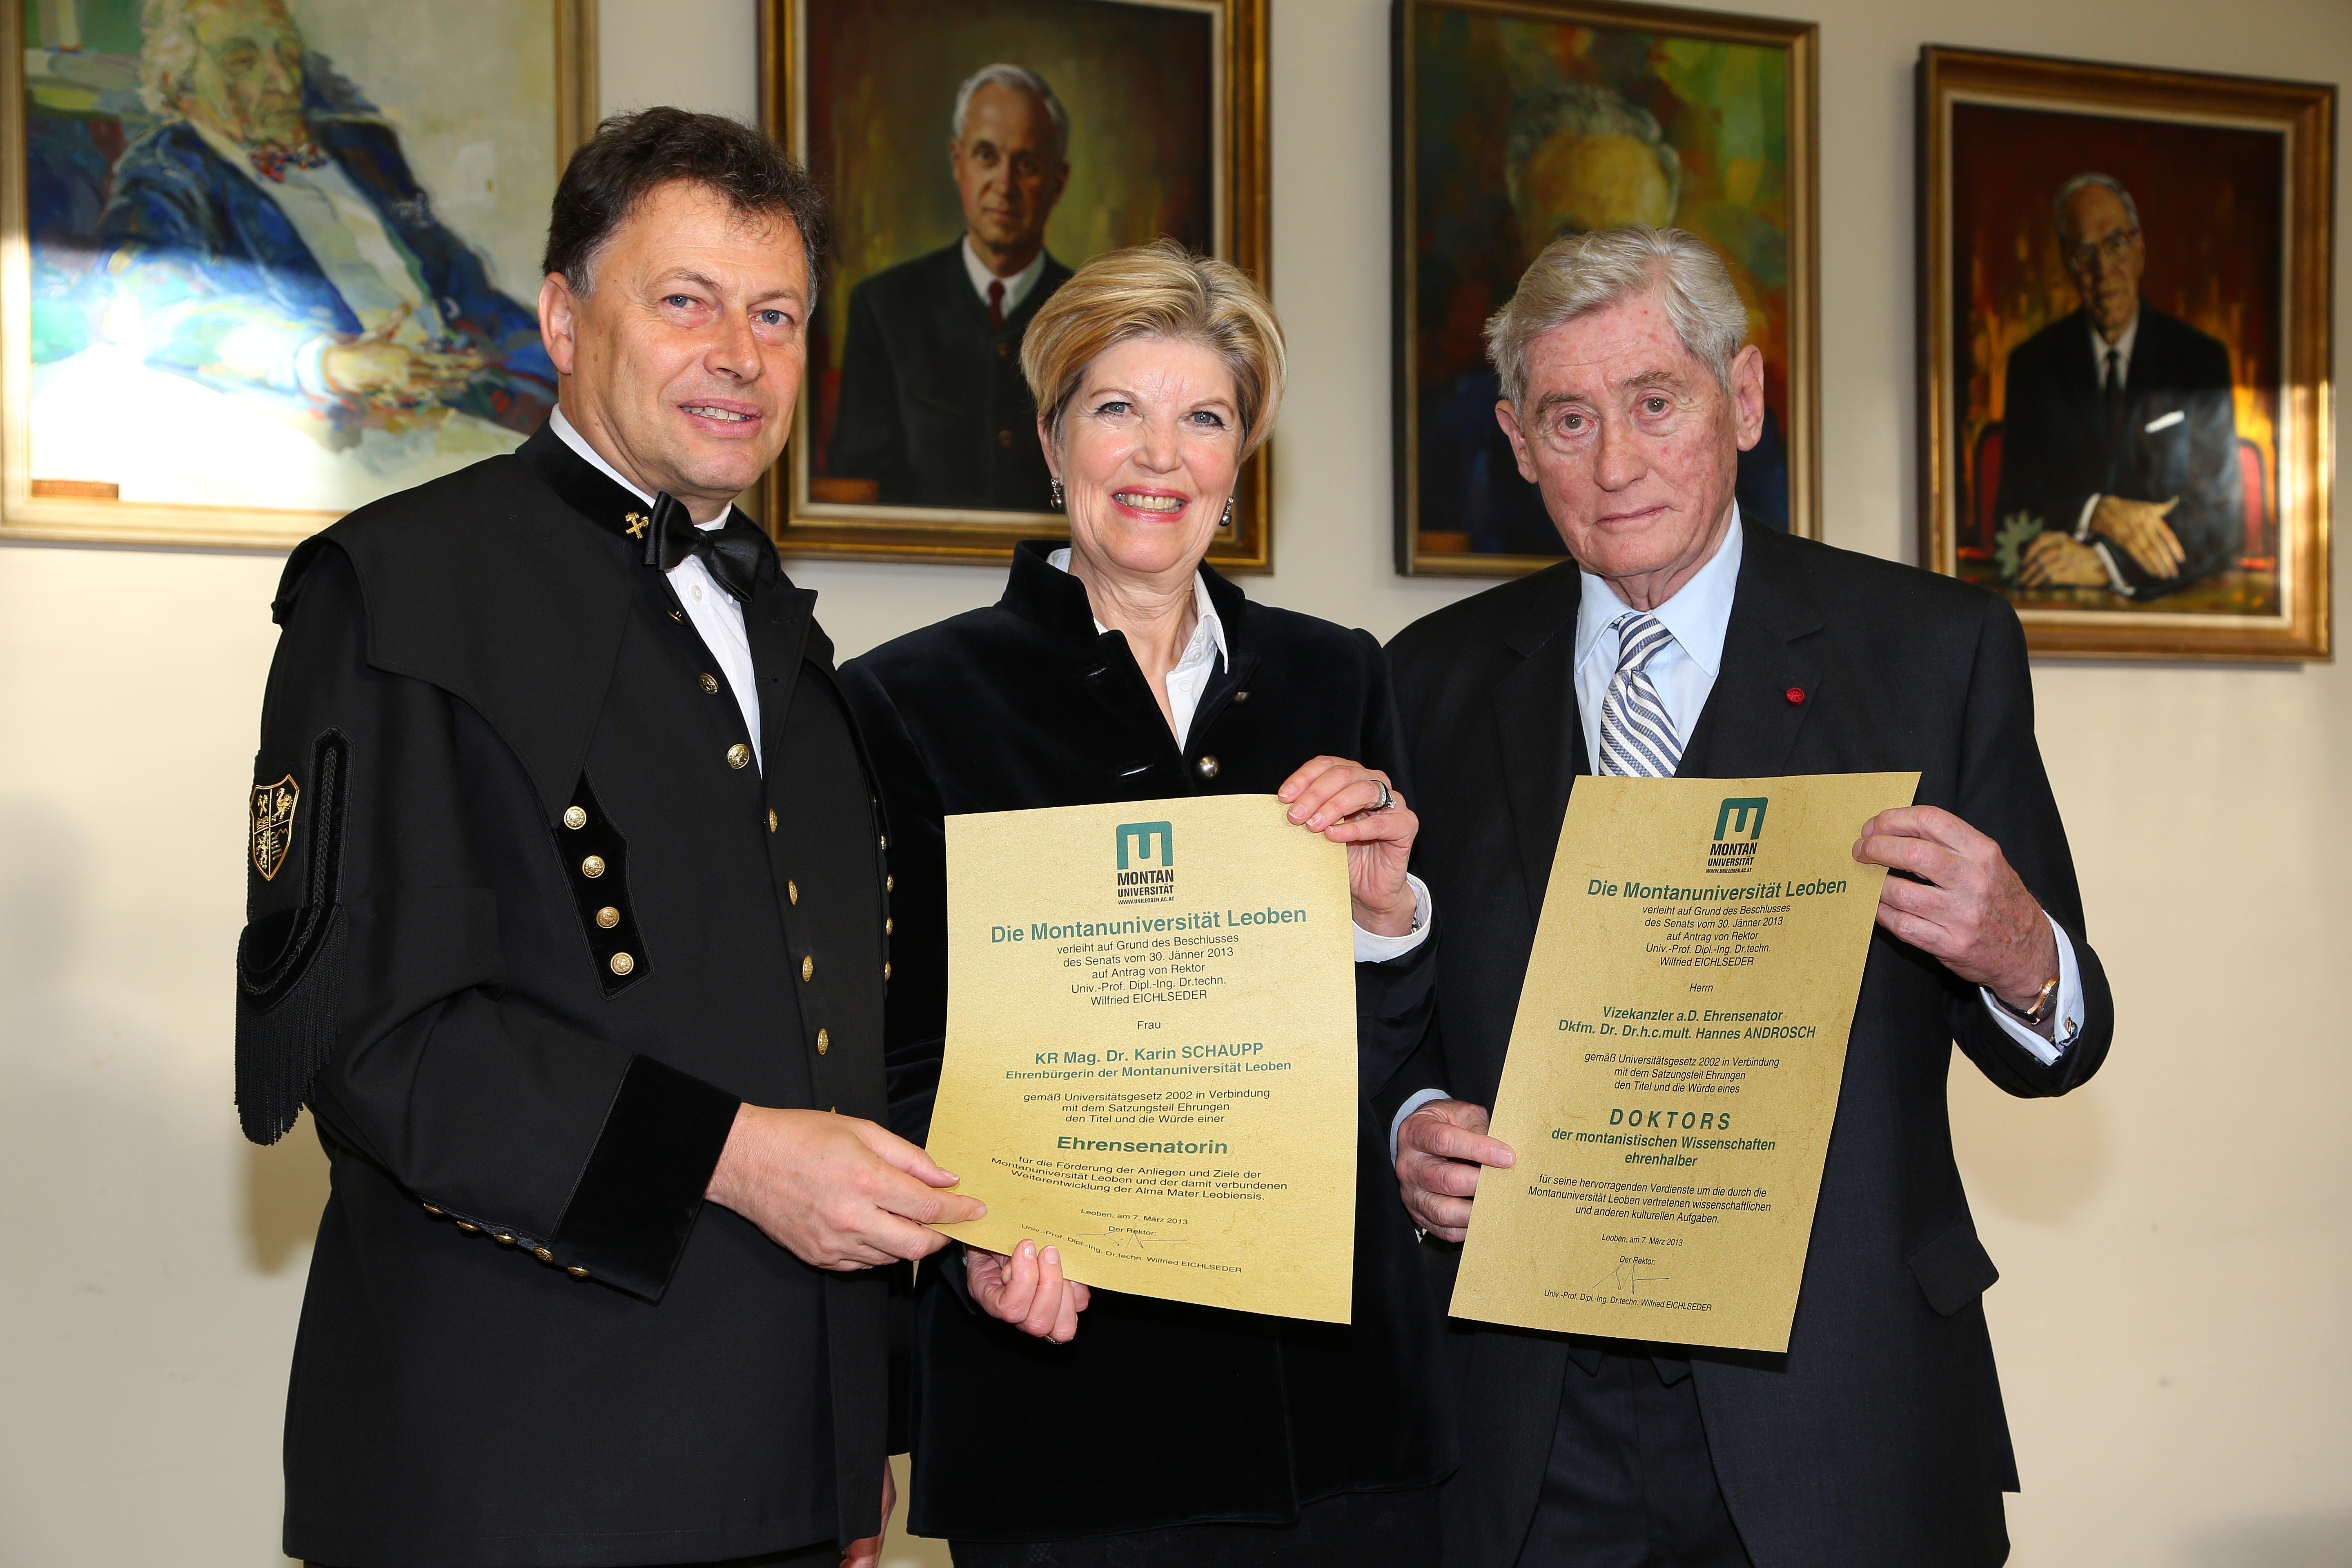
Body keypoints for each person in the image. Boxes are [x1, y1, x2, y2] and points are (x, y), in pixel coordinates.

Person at [233, 108, 980, 1568]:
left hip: (781, 1484)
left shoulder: (793, 645)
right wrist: (735, 1156)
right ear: (565, 319)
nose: (740, 354)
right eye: (686, 301)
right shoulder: (396, 592)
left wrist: (849, 1455)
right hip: (506, 1484)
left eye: (776, 315)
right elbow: (383, 1040)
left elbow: (829, 1058)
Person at [1385, 225, 2116, 1567]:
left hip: (1844, 1408)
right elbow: (1397, 1011)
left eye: (1655, 403)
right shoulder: (1428, 680)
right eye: (1569, 419)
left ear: (1746, 398)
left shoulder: (1931, 652)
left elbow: (2065, 1044)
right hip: (1530, 1424)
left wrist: (2021, 953)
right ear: (1517, 440)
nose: (1615, 463)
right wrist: (1411, 1127)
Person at [839, 240, 1456, 1565]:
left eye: (1206, 419)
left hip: (1337, 1418)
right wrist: (973, 1246)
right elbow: (895, 1054)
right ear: (1051, 438)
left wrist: (1381, 917)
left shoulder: (1337, 678)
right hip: (1066, 1409)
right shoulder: (906, 701)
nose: (1161, 456)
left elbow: (1381, 1064)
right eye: (1119, 408)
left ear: (1242, 462)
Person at [97, 0, 554, 437]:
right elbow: (151, 308)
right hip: (354, 419)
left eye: (287, 56)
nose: (282, 81)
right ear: (179, 86)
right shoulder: (165, 172)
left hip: (471, 388)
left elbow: (460, 282)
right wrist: (328, 363)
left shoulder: (363, 144)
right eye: (242, 62)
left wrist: (560, 358)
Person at [825, 63, 1073, 510]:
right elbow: (858, 484)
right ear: (958, 162)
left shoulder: (1090, 313)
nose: (1005, 185)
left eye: (1027, 165)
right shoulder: (884, 307)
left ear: (1058, 183)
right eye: (986, 157)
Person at [1997, 172, 2244, 598]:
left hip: (2169, 605)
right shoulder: (2033, 365)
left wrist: (2104, 564)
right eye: (2085, 253)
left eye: (2116, 245)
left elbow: (2221, 522)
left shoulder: (2199, 361)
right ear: (2067, 264)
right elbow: (2012, 510)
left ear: (2140, 250)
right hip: (2058, 606)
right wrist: (2095, 511)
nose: (2103, 270)